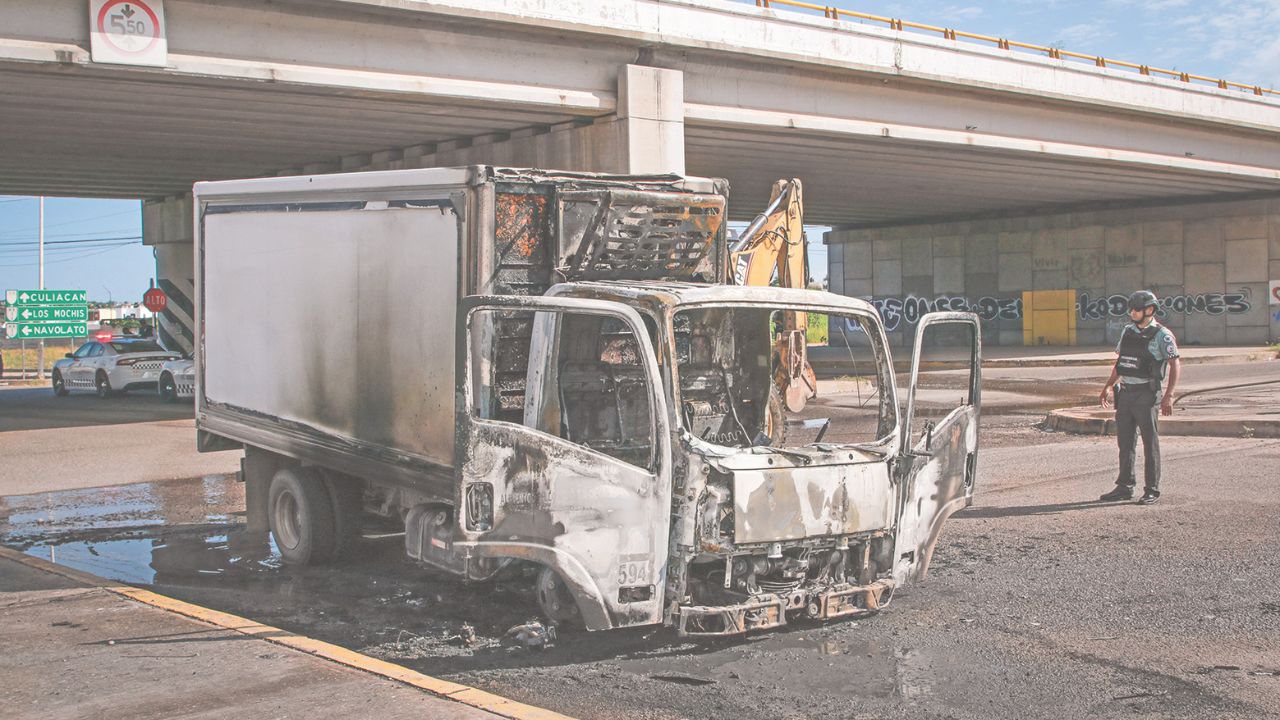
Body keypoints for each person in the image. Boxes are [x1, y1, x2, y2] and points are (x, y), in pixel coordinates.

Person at [1097, 290, 1181, 505]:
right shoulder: (1127, 332)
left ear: (1149, 310)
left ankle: (1151, 489)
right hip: (1125, 394)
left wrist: (1169, 396)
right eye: (1131, 309)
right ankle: (1124, 486)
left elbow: (1174, 363)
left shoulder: (1163, 335)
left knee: (1149, 442)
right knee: (1125, 442)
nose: (1132, 312)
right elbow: (1122, 362)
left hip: (1147, 393)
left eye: (1136, 309)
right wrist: (1108, 386)